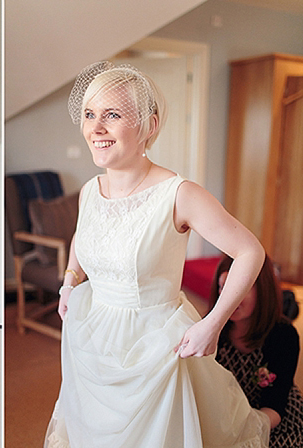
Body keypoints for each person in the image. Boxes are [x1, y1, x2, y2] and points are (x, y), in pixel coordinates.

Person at [44, 61, 271, 447]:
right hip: (91, 335)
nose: (95, 128)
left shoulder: (179, 194)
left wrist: (212, 324)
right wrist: (69, 281)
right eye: (89, 114)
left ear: (148, 126)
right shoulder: (89, 190)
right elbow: (84, 238)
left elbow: (250, 251)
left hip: (155, 346)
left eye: (112, 115)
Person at [210, 255, 303, 447]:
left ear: (262, 290)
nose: (229, 296)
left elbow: (275, 404)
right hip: (224, 422)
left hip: (273, 420)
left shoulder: (283, 335)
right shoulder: (211, 330)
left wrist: (244, 431)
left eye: (240, 288)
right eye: (223, 287)